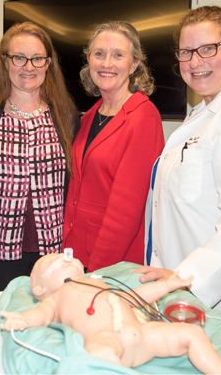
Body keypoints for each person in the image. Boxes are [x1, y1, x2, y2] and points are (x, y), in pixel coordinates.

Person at [134, 6, 221, 331]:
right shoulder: (203, 112)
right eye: (186, 52)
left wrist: (186, 280)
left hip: (216, 302)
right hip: (180, 295)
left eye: (208, 49)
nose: (194, 62)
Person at [0, 252, 221, 374]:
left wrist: (164, 286)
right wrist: (24, 318)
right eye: (53, 260)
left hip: (144, 335)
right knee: (97, 355)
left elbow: (135, 298)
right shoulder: (57, 298)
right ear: (38, 287)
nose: (65, 257)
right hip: (108, 337)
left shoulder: (102, 283)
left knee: (190, 334)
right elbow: (41, 315)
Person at [0, 22, 79, 293]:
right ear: (5, 62)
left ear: (48, 63)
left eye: (37, 58)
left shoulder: (66, 116)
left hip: (51, 253)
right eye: (19, 58)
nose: (28, 67)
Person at [63, 21, 164, 272]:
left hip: (110, 263)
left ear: (134, 65)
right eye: (99, 54)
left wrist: (98, 272)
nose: (107, 63)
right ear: (89, 60)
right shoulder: (90, 116)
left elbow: (125, 214)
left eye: (118, 55)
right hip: (75, 255)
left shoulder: (144, 118)